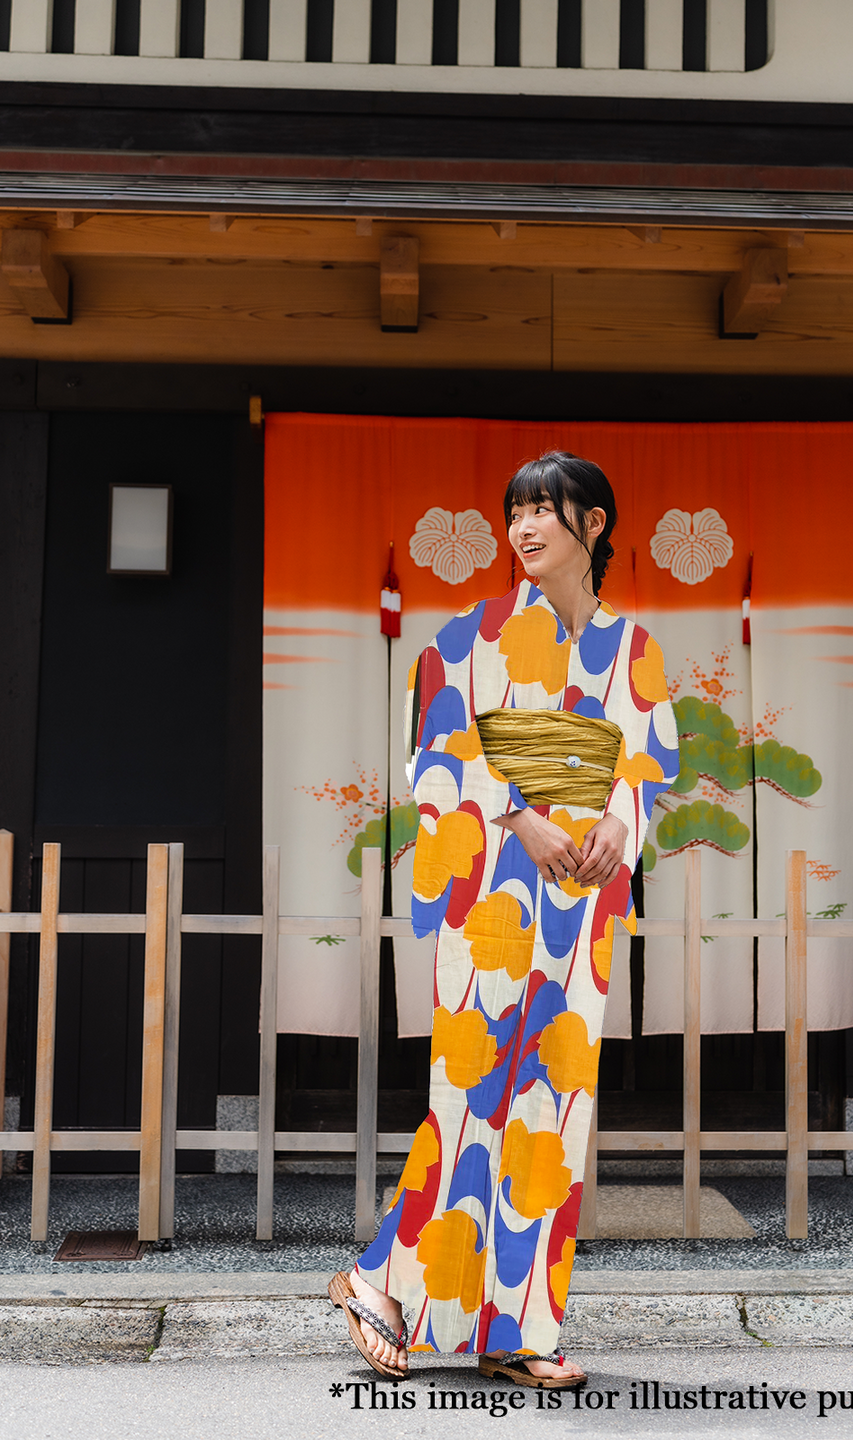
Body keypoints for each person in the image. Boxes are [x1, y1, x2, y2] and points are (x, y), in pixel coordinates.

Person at [329, 451, 680, 1388]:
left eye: (545, 511)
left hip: (577, 907)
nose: (524, 528)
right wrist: (521, 815)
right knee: (471, 1097)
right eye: (516, 512)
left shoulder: (634, 649)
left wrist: (618, 818)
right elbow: (441, 744)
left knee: (550, 1116)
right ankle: (384, 1286)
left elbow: (651, 759)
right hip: (492, 894)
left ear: (593, 525)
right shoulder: (466, 639)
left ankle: (515, 1326)